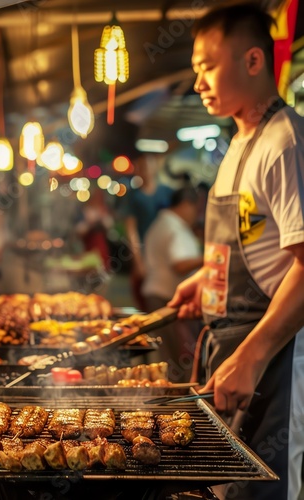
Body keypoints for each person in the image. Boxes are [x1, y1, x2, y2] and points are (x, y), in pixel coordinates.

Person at [168, 4, 304, 499]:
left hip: (277, 359)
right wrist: (206, 281)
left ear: (252, 61)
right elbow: (261, 248)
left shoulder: (285, 142)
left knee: (268, 490)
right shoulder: (241, 141)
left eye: (206, 65)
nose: (198, 81)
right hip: (235, 353)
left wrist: (252, 356)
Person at [142, 186, 204, 382]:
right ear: (186, 205)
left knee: (168, 356)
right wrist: (213, 259)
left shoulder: (161, 222)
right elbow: (179, 264)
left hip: (158, 294)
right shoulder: (174, 227)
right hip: (168, 299)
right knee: (177, 358)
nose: (197, 215)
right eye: (196, 208)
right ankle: (175, 403)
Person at [122, 153, 174, 311]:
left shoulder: (167, 192)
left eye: (147, 165)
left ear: (155, 167)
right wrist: (137, 259)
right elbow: (130, 228)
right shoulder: (133, 196)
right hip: (145, 252)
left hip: (165, 252)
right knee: (146, 298)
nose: (144, 170)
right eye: (140, 166)